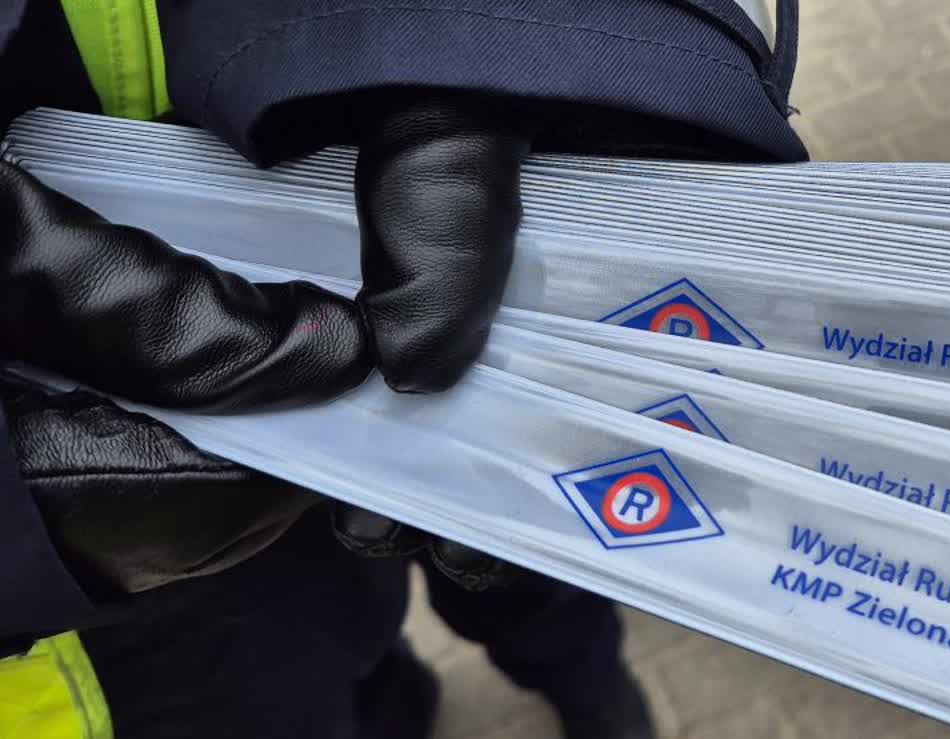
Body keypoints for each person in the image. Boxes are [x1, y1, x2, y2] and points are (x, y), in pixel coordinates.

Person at [0, 1, 804, 738]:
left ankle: (585, 683)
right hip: (106, 598)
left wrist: (456, 36)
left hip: (330, 145)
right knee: (298, 657)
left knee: (529, 528)